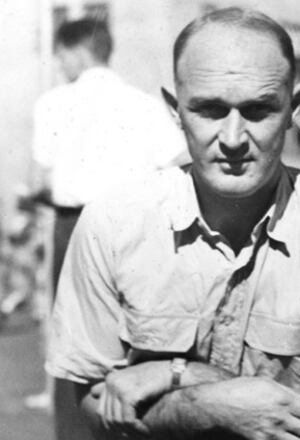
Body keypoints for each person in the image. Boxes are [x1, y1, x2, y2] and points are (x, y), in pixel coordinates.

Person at [45, 7, 300, 440]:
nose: (232, 139)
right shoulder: (112, 224)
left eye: (257, 111)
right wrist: (207, 400)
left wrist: (178, 379)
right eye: (210, 110)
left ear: (294, 108)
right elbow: (93, 400)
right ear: (175, 110)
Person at [31, 18, 186, 438]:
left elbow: (44, 179)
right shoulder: (144, 104)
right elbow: (175, 164)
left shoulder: (53, 102)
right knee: (132, 334)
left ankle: (75, 431)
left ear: (77, 52)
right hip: (134, 226)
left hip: (75, 224)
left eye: (62, 56)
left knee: (73, 338)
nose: (61, 65)